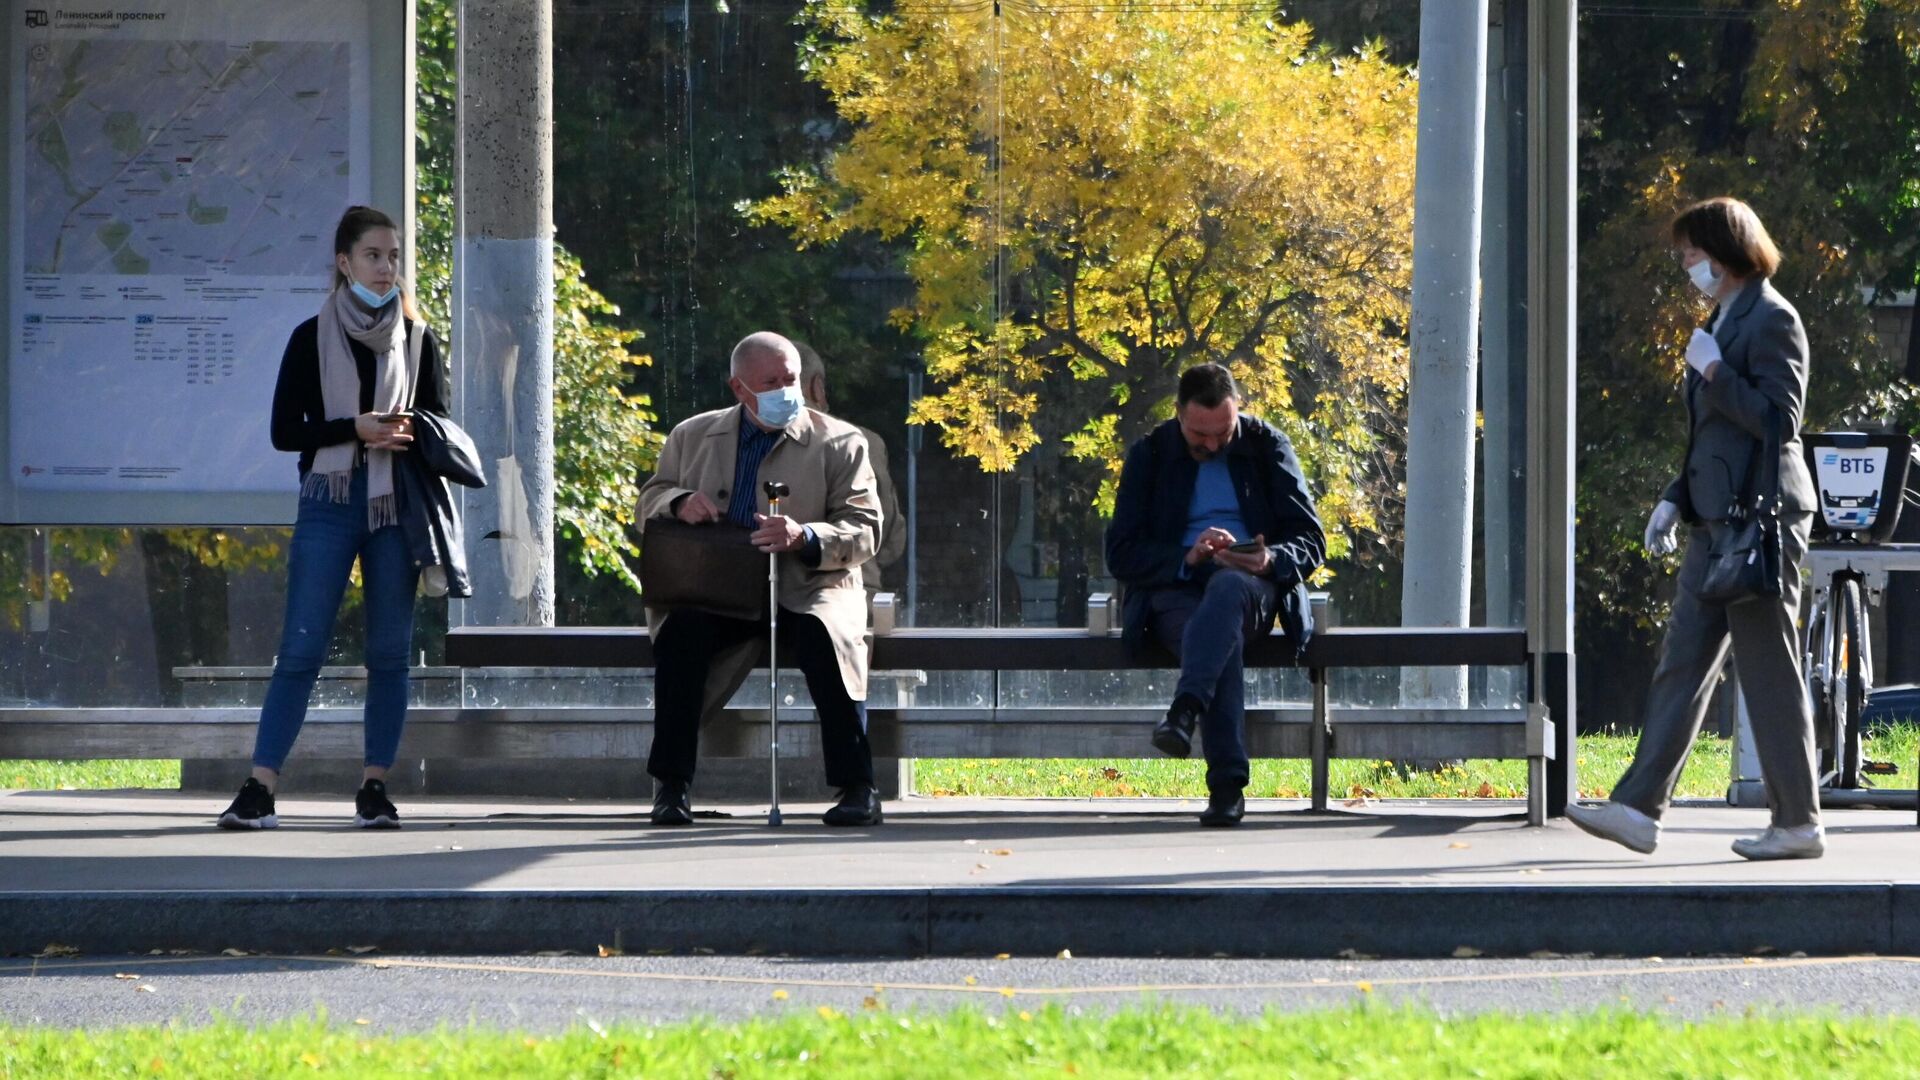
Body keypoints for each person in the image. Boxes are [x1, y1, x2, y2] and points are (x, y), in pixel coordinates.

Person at [1567, 197, 1823, 861]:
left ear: (1725, 248)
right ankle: (1636, 809)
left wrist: (1714, 369)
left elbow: (1778, 422)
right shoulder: (1722, 319)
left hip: (1762, 520)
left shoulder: (1773, 318)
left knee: (1769, 673)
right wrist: (1675, 499)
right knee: (1681, 664)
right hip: (1715, 519)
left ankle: (1798, 822)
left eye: (1692, 253)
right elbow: (1710, 433)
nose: (1686, 266)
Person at [217, 206, 446, 831]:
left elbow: (441, 428)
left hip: (395, 503)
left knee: (391, 653)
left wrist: (410, 433)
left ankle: (375, 786)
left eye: (394, 256)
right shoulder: (309, 336)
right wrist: (356, 428)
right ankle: (260, 787)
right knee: (301, 648)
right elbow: (283, 432)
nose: (386, 267)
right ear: (344, 263)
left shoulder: (419, 339)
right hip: (328, 500)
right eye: (374, 255)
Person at [637, 332, 884, 827]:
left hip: (811, 584)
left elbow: (866, 527)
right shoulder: (691, 435)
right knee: (682, 637)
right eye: (769, 382)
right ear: (739, 388)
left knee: (826, 640)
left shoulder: (841, 441)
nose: (784, 390)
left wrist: (806, 535)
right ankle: (671, 787)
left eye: (790, 379)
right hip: (719, 586)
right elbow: (650, 499)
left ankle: (859, 788)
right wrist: (680, 502)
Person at [1104, 364, 1326, 826]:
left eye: (1223, 433)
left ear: (1238, 411)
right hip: (1177, 590)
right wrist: (1187, 557)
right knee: (1215, 642)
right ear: (1178, 416)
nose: (1211, 444)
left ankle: (1186, 711)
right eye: (1198, 436)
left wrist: (1268, 560)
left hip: (1251, 589)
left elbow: (1310, 540)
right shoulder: (1150, 454)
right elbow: (1121, 552)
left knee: (1227, 589)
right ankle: (1226, 788)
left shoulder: (1268, 447)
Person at [794, 341, 905, 606]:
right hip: (848, 592)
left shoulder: (724, 444)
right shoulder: (860, 442)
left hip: (757, 599)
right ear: (817, 387)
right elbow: (888, 534)